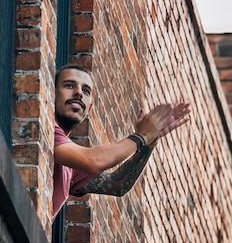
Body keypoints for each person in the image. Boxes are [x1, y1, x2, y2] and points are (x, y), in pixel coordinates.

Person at [52, 64, 190, 220]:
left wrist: (150, 141)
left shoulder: (70, 165)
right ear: (53, 93)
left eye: (86, 90)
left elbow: (117, 184)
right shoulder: (46, 129)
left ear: (89, 108)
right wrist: (142, 136)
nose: (78, 93)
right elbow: (94, 160)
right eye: (69, 85)